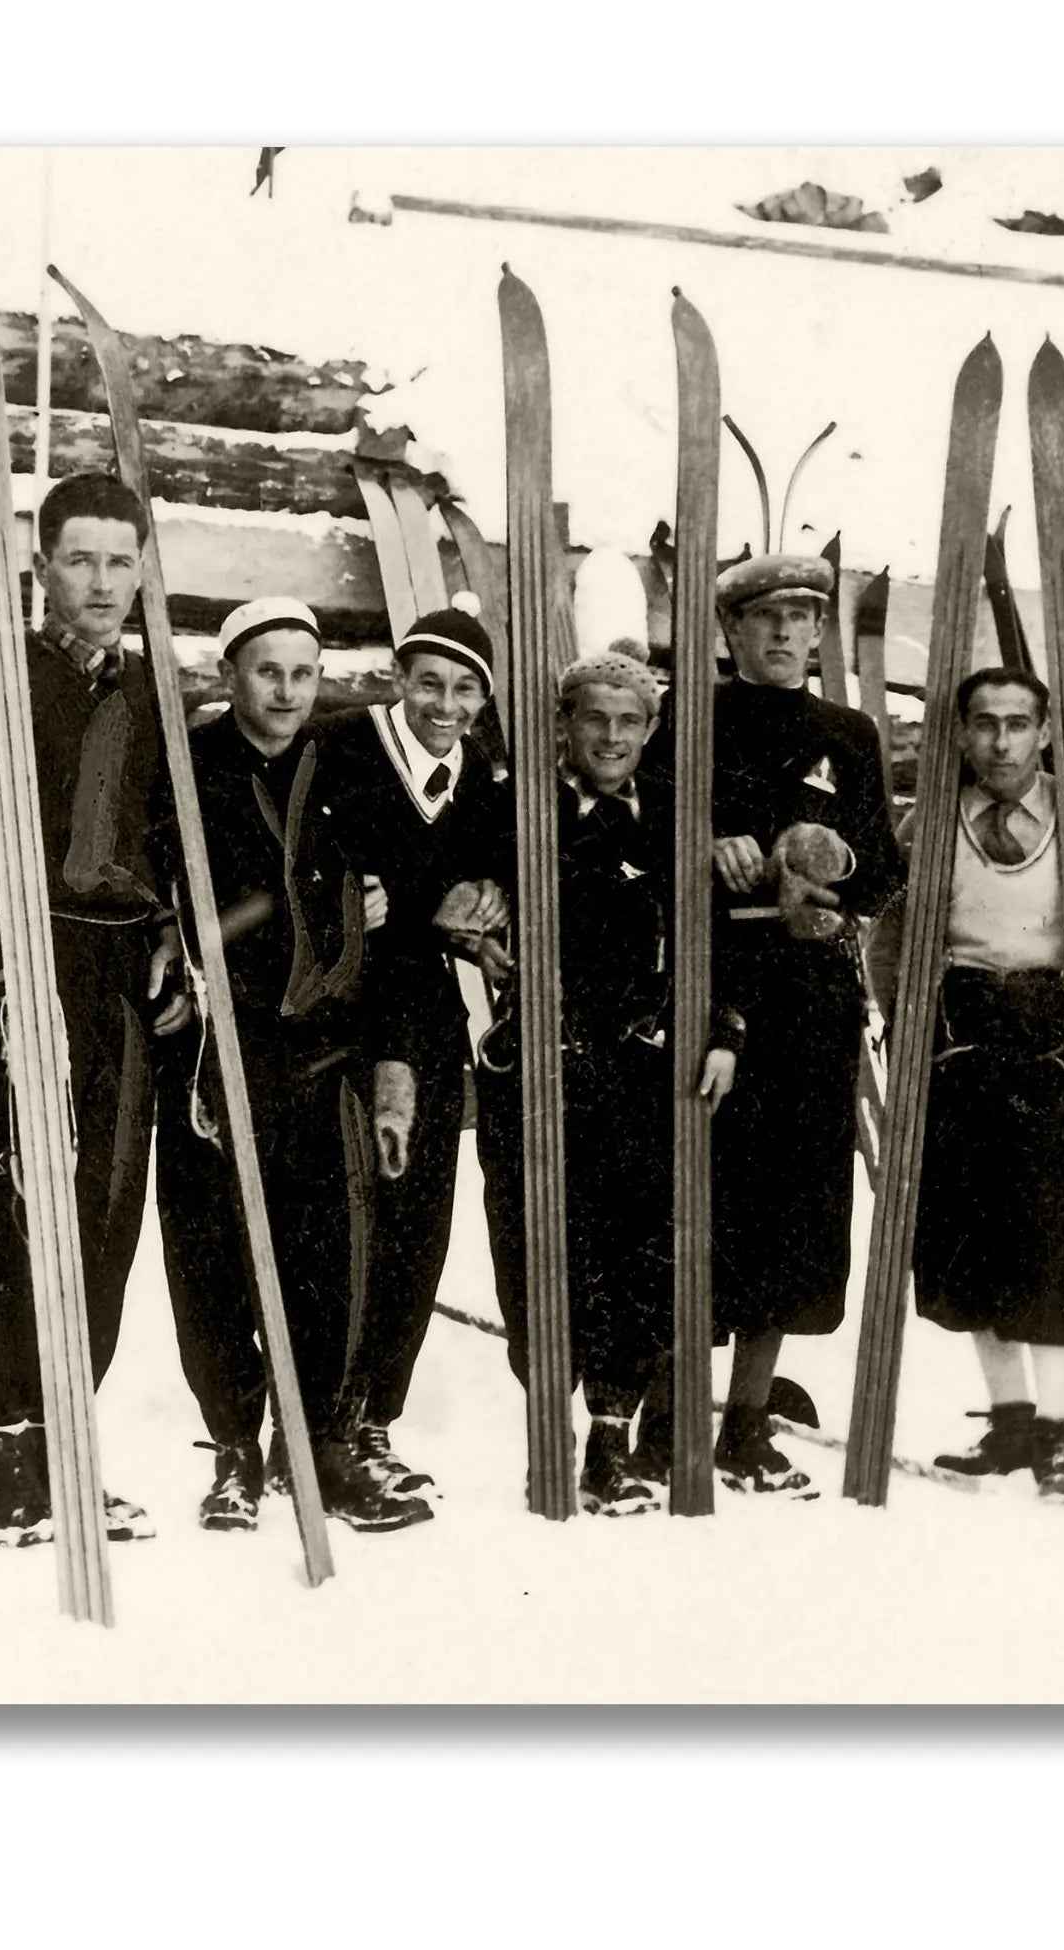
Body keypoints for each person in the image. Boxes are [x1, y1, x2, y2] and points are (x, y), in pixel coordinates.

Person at [0, 472, 163, 1547]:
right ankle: (6, 1452)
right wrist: (0, 969)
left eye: (120, 560)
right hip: (21, 967)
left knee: (104, 1205)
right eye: (80, 558)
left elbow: (168, 843)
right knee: (13, 1199)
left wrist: (171, 936)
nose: (101, 581)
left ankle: (73, 1435)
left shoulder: (150, 693)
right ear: (42, 567)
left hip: (119, 978)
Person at [148, 597, 420, 1532]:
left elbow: (388, 918)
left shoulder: (345, 765)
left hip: (321, 1051)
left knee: (325, 1257)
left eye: (304, 673)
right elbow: (159, 888)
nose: (287, 691)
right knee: (213, 1251)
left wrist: (357, 909)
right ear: (230, 675)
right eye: (268, 671)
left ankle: (320, 1448)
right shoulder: (189, 768)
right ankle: (232, 1445)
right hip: (213, 1049)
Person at [638, 552, 903, 1496]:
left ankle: (746, 1423)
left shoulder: (848, 732)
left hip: (812, 995)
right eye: (767, 619)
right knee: (701, 1195)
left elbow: (883, 872)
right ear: (729, 631)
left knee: (796, 1206)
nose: (787, 634)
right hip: (712, 978)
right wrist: (699, 845)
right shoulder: (681, 722)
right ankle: (666, 1418)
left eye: (804, 618)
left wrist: (830, 868)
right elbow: (636, 839)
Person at [874, 667, 1064, 1500]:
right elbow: (889, 935)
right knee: (969, 1234)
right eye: (985, 724)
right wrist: (907, 1025)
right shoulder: (931, 822)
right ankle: (1008, 1422)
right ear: (959, 734)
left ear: (1044, 732)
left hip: (1050, 1044)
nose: (1001, 741)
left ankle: (1061, 1436)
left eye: (1018, 724)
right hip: (961, 1043)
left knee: (1051, 1232)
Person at [471, 640, 742, 1514]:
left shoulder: (671, 815)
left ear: (652, 730)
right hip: (539, 1070)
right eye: (596, 719)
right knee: (537, 1250)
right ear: (563, 725)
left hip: (641, 1070)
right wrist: (476, 928)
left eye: (631, 721)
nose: (613, 736)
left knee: (634, 1254)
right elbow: (458, 900)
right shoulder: (514, 809)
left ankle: (611, 1440)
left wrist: (725, 1031)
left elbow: (717, 940)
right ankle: (548, 1426)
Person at [309, 606, 511, 1515]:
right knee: (341, 1215)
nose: (446, 704)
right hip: (337, 1013)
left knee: (419, 1218)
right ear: (399, 675)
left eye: (467, 689)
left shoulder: (484, 785)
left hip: (425, 1020)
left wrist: (491, 907)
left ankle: (374, 1418)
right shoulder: (341, 747)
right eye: (430, 681)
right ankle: (315, 1426)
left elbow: (483, 888)